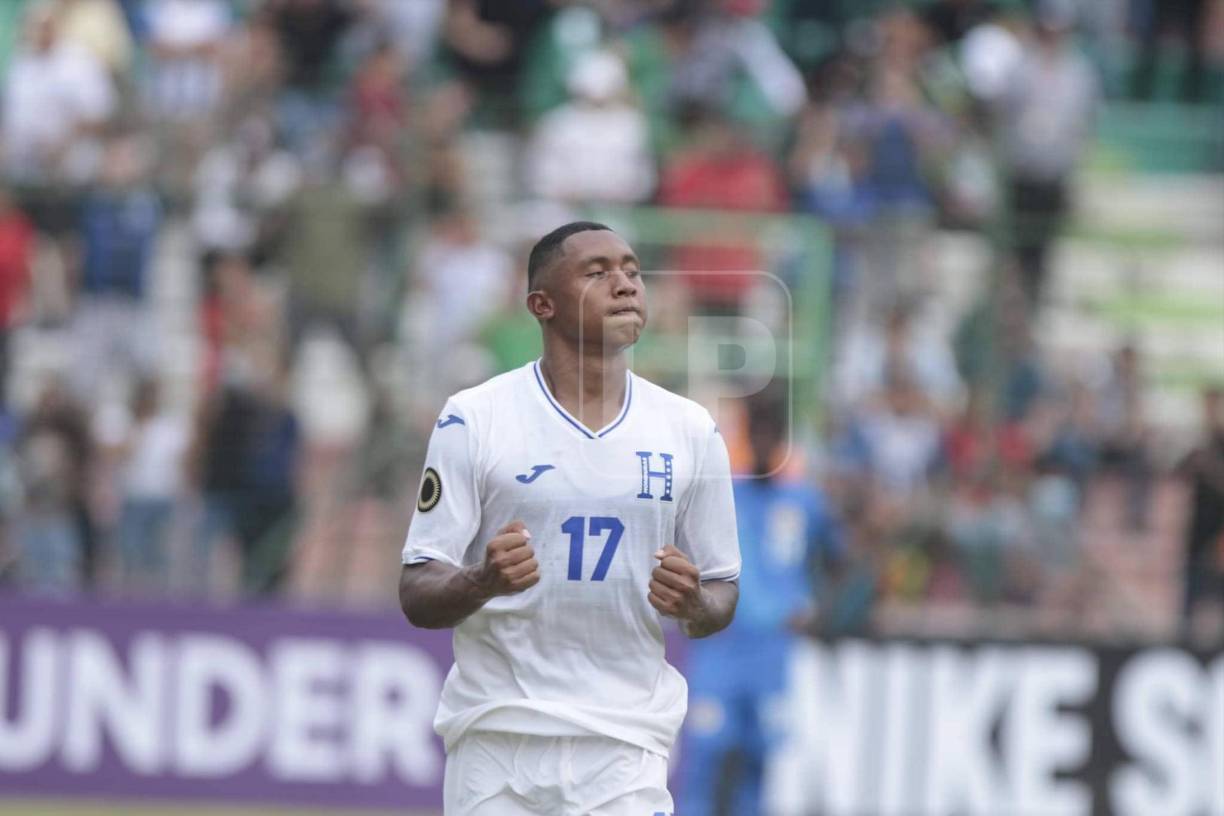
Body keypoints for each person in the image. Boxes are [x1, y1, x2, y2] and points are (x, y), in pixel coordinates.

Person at [398, 221, 741, 815]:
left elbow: (723, 590)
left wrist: (693, 604)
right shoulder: (474, 418)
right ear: (542, 304)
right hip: (498, 740)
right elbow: (416, 590)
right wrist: (482, 581)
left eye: (632, 271)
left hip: (625, 747)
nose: (625, 285)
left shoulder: (690, 429)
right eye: (597, 272)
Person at [682, 391, 842, 816]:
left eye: (774, 434)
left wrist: (815, 605)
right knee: (704, 758)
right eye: (759, 432)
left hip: (774, 653)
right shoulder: (721, 492)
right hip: (720, 646)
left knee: (761, 763)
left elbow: (836, 559)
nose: (765, 443)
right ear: (747, 434)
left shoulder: (805, 500)